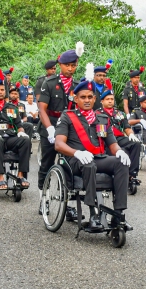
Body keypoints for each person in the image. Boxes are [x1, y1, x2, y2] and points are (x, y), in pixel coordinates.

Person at [55, 64, 131, 230]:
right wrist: (77, 153)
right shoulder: (67, 117)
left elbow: (112, 143)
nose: (87, 100)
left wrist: (119, 151)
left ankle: (118, 215)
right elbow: (59, 144)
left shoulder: (102, 118)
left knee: (121, 163)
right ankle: (93, 213)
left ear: (95, 99)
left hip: (98, 158)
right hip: (75, 160)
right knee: (89, 165)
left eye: (90, 97)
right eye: (83, 97)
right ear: (76, 99)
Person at [37, 42, 83, 219]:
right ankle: (44, 199)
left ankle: (68, 204)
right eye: (67, 65)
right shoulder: (49, 83)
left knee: (70, 166)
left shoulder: (78, 85)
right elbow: (42, 109)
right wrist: (49, 128)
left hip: (70, 129)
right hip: (50, 124)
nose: (70, 69)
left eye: (73, 65)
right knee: (47, 163)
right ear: (60, 65)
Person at [97, 83, 142, 185]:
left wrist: (131, 134)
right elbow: (100, 133)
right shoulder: (97, 114)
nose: (110, 101)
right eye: (107, 99)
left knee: (136, 144)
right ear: (102, 101)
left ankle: (132, 174)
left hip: (119, 138)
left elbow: (127, 127)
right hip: (106, 139)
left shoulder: (119, 113)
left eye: (112, 99)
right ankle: (113, 173)